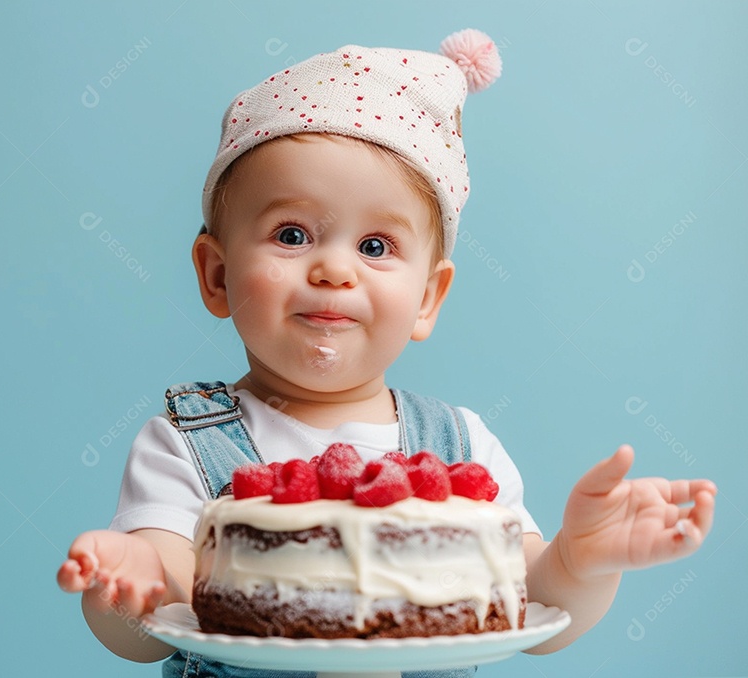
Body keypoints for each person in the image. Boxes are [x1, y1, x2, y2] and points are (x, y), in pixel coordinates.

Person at [57, 29, 716, 677]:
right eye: (292, 234)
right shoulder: (183, 444)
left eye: (375, 247)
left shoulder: (464, 447)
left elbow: (531, 604)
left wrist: (579, 562)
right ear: (217, 276)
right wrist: (129, 583)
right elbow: (163, 599)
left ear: (428, 298)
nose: (335, 270)